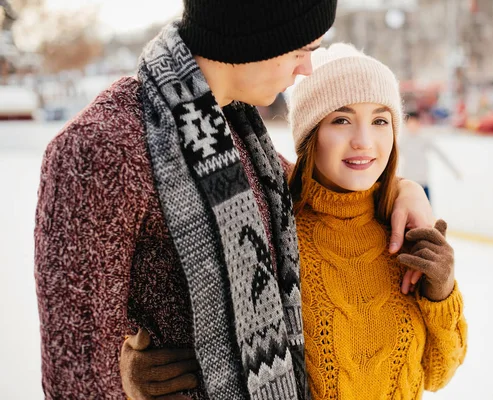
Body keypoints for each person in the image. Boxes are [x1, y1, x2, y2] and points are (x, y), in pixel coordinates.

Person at [34, 1, 435, 398]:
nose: (305, 69)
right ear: (255, 35)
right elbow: (78, 374)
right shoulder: (101, 148)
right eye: (301, 51)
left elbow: (328, 186)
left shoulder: (238, 135)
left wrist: (402, 188)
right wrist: (124, 376)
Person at [119, 43, 467, 400]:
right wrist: (129, 375)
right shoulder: (271, 229)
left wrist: (441, 292)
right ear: (309, 133)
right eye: (341, 120)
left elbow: (437, 373)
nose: (364, 141)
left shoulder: (405, 230)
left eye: (380, 121)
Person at [398, 110, 461, 201]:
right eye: (410, 123)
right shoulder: (402, 140)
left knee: (427, 211)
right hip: (409, 182)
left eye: (414, 123)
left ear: (418, 123)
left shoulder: (424, 138)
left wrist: (455, 171)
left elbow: (441, 154)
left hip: (423, 182)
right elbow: (392, 157)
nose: (412, 126)